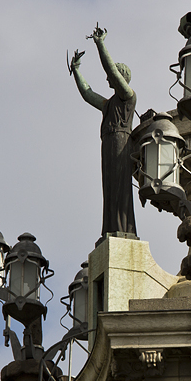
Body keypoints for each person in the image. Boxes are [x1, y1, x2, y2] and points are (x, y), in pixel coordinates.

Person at [69, 25, 137, 237]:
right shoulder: (109, 104)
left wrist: (100, 44)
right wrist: (76, 70)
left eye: (113, 76)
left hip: (120, 143)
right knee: (109, 188)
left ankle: (123, 228)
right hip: (108, 144)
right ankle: (110, 227)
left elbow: (110, 71)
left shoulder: (128, 96)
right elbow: (88, 94)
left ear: (121, 76)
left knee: (119, 187)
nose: (108, 79)